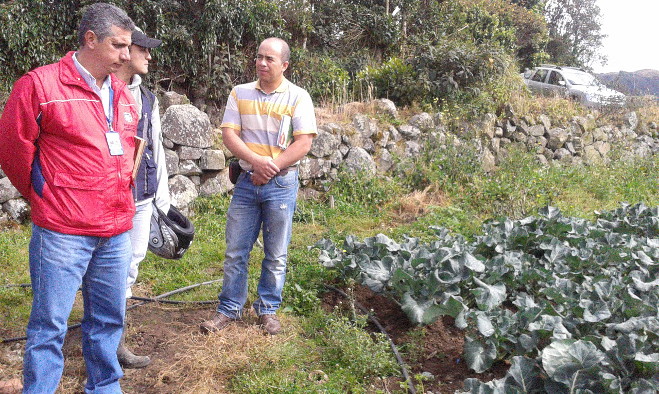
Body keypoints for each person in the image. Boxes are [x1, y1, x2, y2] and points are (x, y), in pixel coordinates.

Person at [0, 3, 137, 393]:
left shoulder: (121, 91)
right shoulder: (40, 86)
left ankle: (105, 386)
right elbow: (12, 148)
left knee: (109, 319)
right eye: (118, 46)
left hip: (114, 230)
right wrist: (44, 195)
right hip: (63, 231)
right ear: (90, 40)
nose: (126, 55)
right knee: (49, 325)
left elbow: (123, 152)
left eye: (128, 47)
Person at [200, 37, 317, 335]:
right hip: (246, 183)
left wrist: (271, 167)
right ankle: (229, 309)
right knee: (236, 250)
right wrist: (257, 162)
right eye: (259, 57)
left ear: (285, 65)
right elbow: (230, 135)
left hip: (281, 183)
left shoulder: (298, 97)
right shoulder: (239, 93)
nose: (262, 63)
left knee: (276, 252)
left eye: (270, 59)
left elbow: (304, 141)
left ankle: (268, 309)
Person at [114, 27, 170, 369]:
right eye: (143, 49)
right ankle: (101, 336)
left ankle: (115, 342)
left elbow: (156, 147)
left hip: (141, 197)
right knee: (104, 269)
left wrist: (161, 200)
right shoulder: (104, 91)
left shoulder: (148, 97)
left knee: (130, 266)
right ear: (124, 50)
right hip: (106, 200)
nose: (149, 56)